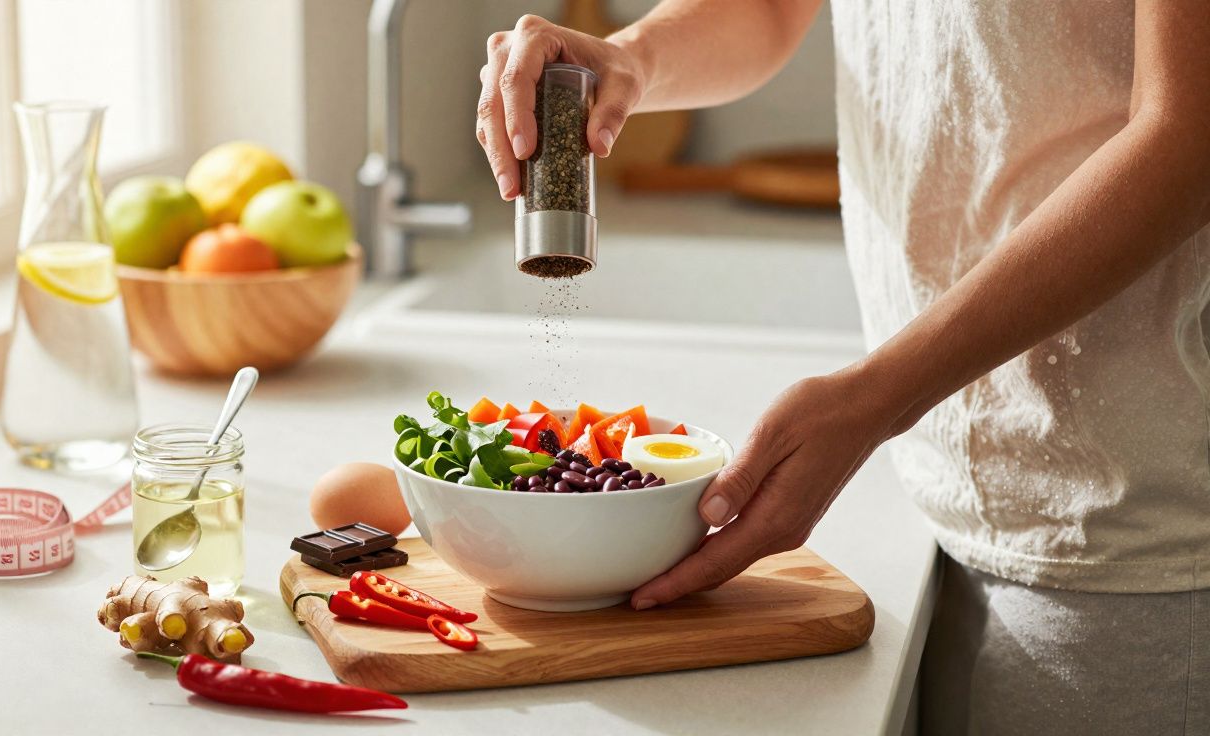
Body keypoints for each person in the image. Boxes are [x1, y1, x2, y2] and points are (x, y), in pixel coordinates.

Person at [477, 1, 1209, 732]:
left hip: (1124, 529)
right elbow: (768, 10)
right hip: (931, 486)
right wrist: (634, 58)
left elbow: (1191, 135)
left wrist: (880, 397)